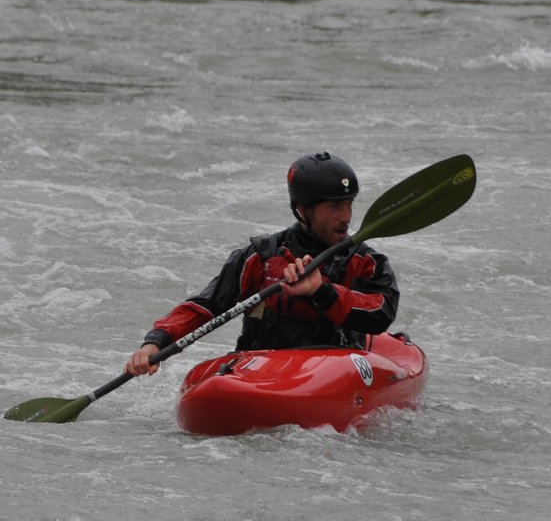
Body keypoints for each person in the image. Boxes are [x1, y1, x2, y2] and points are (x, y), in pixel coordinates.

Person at [125, 152, 399, 376]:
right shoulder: (261, 257)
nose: (346, 217)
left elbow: (382, 312)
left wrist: (322, 291)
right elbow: (206, 305)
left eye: (349, 204)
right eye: (334, 207)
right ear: (303, 210)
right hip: (263, 366)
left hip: (334, 368)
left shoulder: (365, 261)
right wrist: (155, 342)